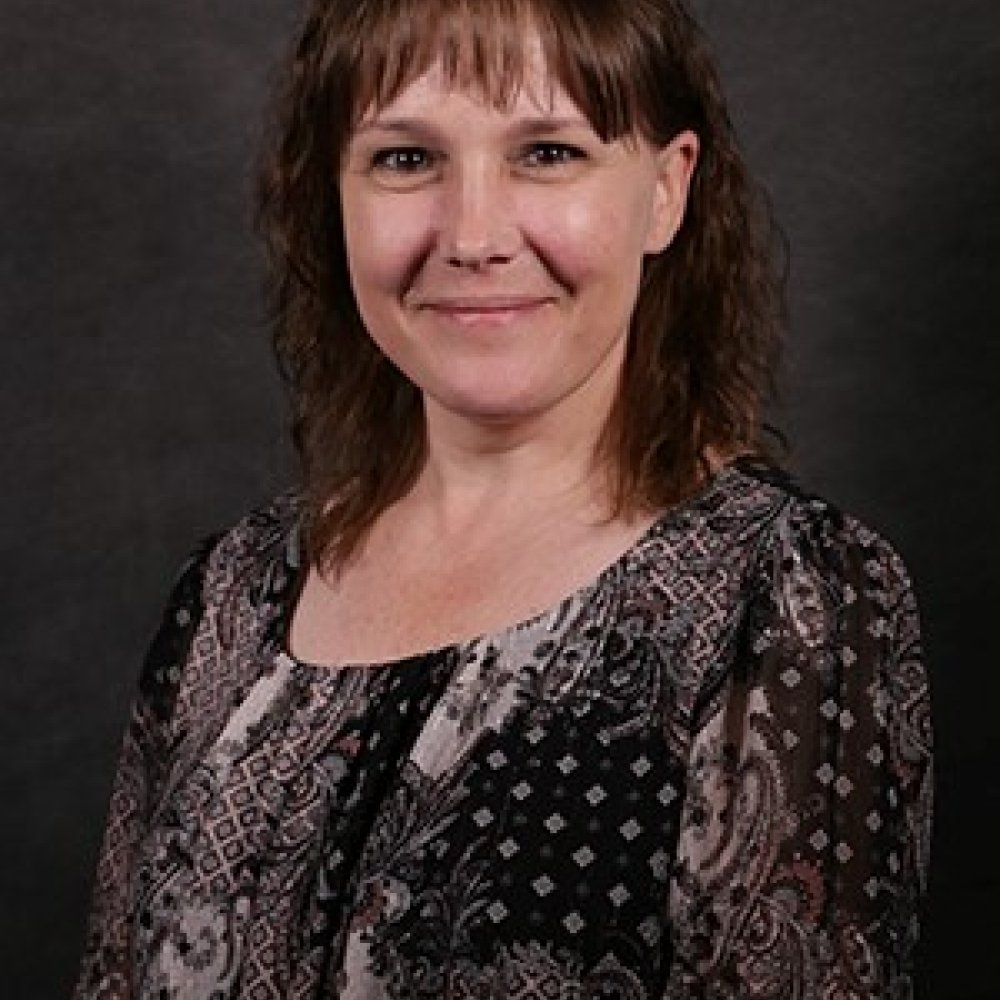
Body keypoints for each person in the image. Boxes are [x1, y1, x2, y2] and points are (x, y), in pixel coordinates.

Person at [73, 0, 933, 997]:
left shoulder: (789, 595)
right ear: (333, 196)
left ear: (664, 190)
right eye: (405, 159)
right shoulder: (228, 592)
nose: (473, 235)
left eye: (547, 154)